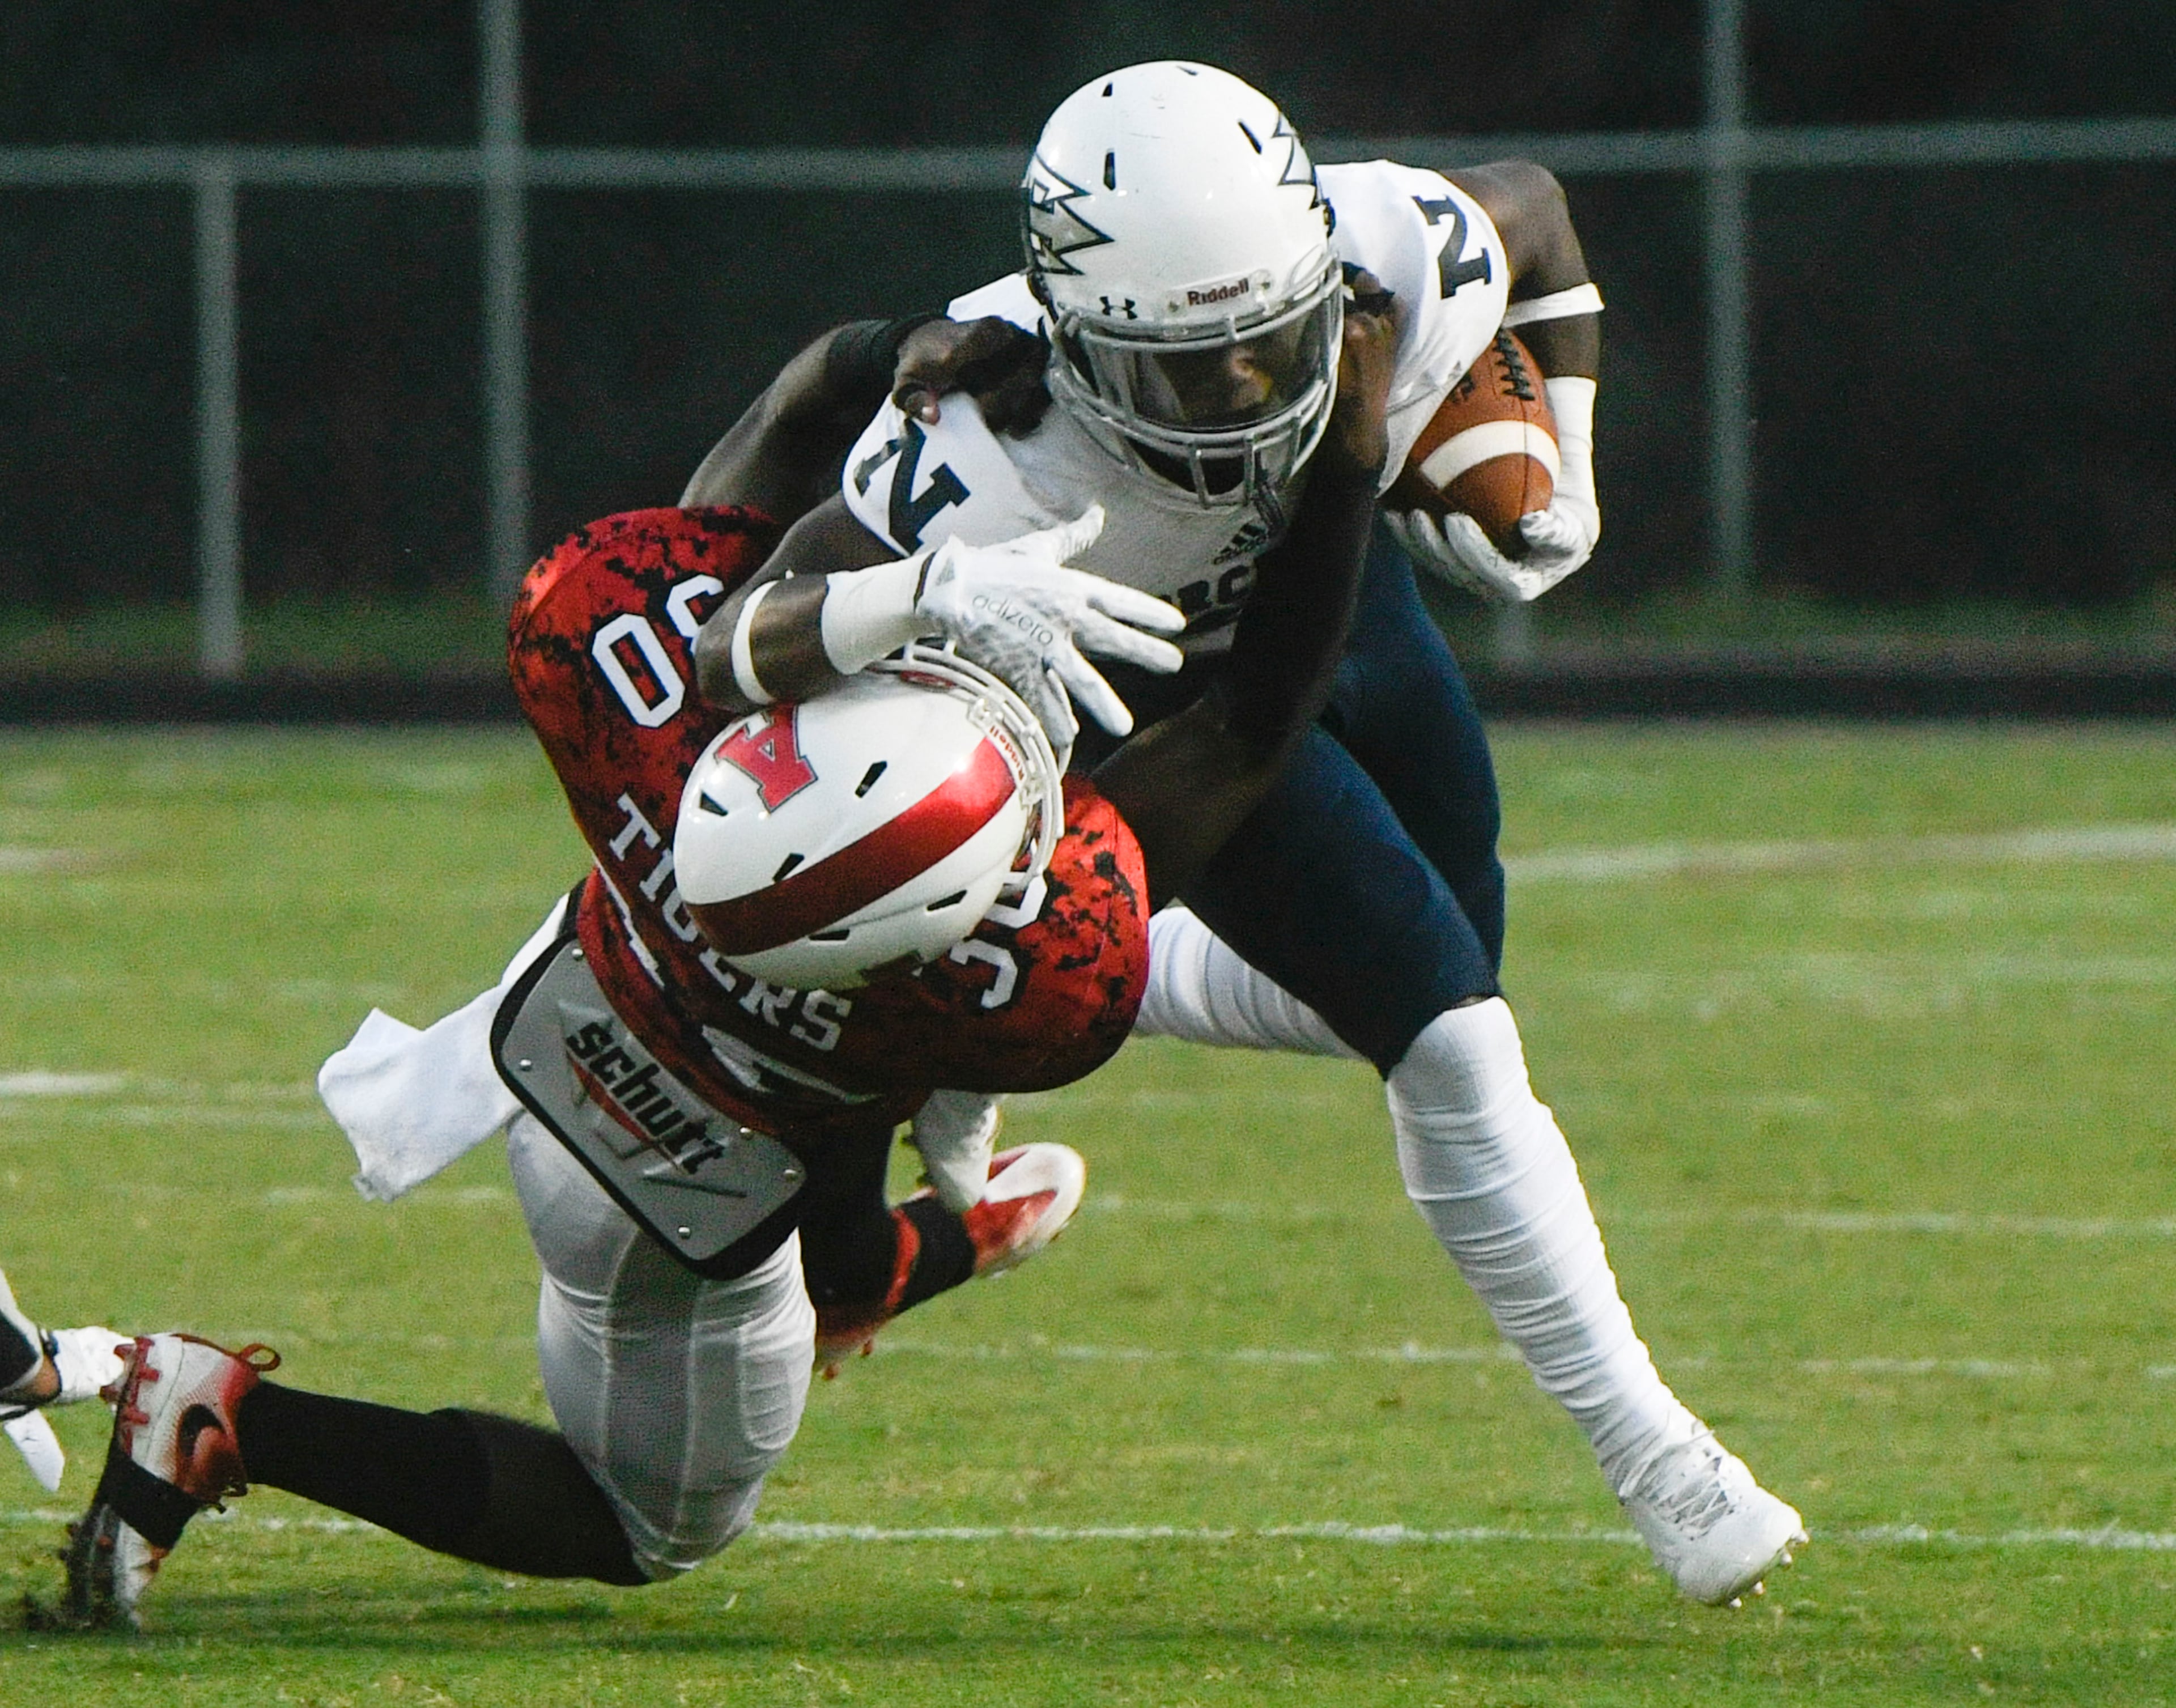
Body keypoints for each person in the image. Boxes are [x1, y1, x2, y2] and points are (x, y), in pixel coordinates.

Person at [7, 279, 1398, 1629]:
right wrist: (1349, 466)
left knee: (837, 1139)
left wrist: (894, 354)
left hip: (579, 1041)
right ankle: (223, 1411)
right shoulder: (1021, 963)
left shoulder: (638, 672)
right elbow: (1255, 720)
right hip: (680, 1209)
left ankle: (895, 1263)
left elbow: (772, 441)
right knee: (648, 1527)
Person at [696, 60, 1803, 1607]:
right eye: (1184, 368)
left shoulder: (1387, 246)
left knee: (1459, 948)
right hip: (1167, 701)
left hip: (1362, 607)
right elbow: (726, 639)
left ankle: (1056, 970)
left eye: (1264, 344)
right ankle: (1662, 1456)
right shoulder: (989, 445)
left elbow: (1537, 212)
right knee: (1453, 1033)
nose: (1236, 396)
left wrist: (1576, 472)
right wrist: (924, 591)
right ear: (1077, 339)